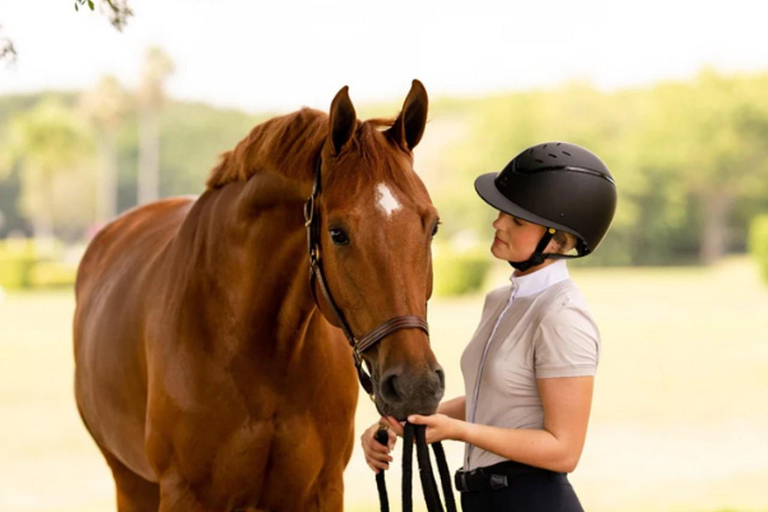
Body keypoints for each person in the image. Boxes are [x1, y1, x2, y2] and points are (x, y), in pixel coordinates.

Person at [361, 141, 617, 511]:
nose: (498, 222)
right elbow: (494, 398)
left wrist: (458, 432)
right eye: (502, 212)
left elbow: (564, 450)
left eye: (517, 220)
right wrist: (406, 423)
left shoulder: (563, 315)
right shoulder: (501, 301)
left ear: (558, 239)